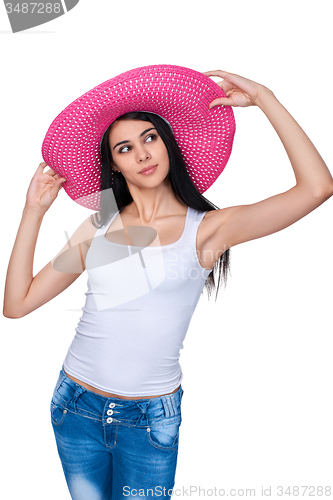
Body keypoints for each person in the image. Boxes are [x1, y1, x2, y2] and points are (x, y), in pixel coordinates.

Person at [3, 65, 333, 500]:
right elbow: (17, 304)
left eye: (150, 138)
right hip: (75, 406)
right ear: (115, 166)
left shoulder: (209, 230)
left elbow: (317, 188)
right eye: (125, 148)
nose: (142, 154)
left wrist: (265, 98)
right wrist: (34, 212)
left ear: (167, 144)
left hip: (149, 419)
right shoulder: (99, 225)